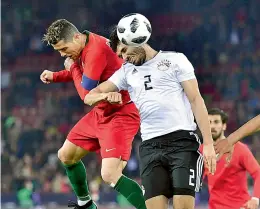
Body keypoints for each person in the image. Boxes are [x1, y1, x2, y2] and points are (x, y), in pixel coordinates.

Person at [84, 27, 216, 209]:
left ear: (134, 39)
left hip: (183, 143)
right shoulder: (126, 72)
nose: (123, 58)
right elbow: (89, 96)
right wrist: (104, 96)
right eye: (119, 55)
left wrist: (208, 143)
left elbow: (196, 100)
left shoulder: (176, 59)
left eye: (123, 50)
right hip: (150, 147)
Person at [41, 19, 147, 209]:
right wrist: (56, 75)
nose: (63, 54)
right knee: (66, 155)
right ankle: (86, 204)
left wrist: (71, 67)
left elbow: (87, 94)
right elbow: (84, 75)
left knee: (110, 175)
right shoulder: (85, 45)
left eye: (64, 49)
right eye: (59, 51)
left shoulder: (95, 50)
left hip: (121, 113)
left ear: (76, 37)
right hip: (102, 111)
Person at [202, 108, 260, 209]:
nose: (212, 126)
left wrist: (255, 198)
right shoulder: (202, 150)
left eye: (216, 122)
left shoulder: (239, 149)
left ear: (224, 125)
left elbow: (258, 173)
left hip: (239, 206)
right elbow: (196, 179)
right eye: (209, 122)